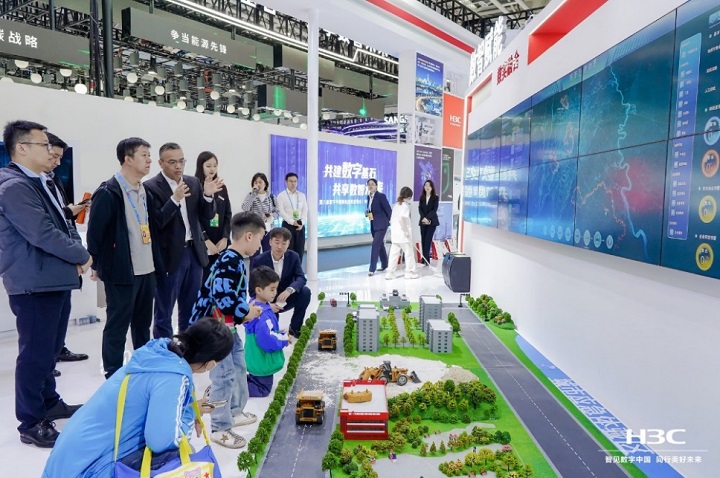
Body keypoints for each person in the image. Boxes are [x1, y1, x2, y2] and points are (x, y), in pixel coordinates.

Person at [41, 317, 234, 478]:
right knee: (182, 455)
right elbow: (161, 441)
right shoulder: (173, 376)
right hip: (89, 469)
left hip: (65, 464)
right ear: (211, 364)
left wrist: (190, 408)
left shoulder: (157, 356)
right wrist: (189, 415)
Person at [0, 120, 91, 448]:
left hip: (52, 278)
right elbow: (42, 233)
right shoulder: (14, 186)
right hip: (33, 281)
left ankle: (49, 402)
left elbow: (64, 224)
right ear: (22, 148)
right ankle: (31, 421)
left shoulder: (41, 181)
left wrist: (76, 254)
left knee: (50, 350)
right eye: (44, 145)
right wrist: (82, 255)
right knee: (35, 354)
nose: (51, 151)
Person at [87, 138, 163, 379]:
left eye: (149, 154)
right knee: (117, 326)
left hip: (147, 269)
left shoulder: (144, 191)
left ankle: (143, 367)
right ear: (128, 159)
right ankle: (113, 374)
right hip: (122, 271)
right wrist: (97, 265)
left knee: (142, 325)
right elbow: (95, 234)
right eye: (144, 155)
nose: (149, 160)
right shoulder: (108, 192)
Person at [189, 211, 265, 448]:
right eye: (260, 238)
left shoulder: (236, 260)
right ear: (249, 236)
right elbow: (223, 298)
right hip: (214, 330)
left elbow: (233, 295)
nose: (260, 244)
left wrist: (244, 309)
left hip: (228, 328)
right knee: (223, 375)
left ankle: (234, 411)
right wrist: (246, 311)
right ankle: (220, 427)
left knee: (239, 367)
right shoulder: (229, 260)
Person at [144, 142, 223, 337]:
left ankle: (187, 345)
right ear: (160, 163)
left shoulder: (193, 182)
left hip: (194, 253)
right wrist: (174, 199)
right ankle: (164, 348)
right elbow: (157, 222)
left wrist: (207, 195)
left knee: (191, 306)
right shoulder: (150, 187)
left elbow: (206, 216)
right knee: (164, 310)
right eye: (172, 162)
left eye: (181, 161)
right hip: (169, 257)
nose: (178, 166)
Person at [46, 132, 90, 370]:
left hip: (65, 258)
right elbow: (45, 227)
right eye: (53, 156)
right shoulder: (24, 186)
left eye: (60, 158)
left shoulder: (53, 181)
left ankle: (57, 350)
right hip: (47, 262)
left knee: (63, 310)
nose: (57, 162)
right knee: (46, 319)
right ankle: (46, 362)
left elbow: (63, 219)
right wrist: (83, 256)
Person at [250, 227, 311, 338]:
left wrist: (289, 290)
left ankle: (295, 328)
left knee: (305, 292)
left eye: (283, 243)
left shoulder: (293, 257)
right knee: (273, 333)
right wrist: (267, 305)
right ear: (270, 242)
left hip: (285, 296)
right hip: (268, 300)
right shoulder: (259, 260)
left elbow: (301, 278)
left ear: (288, 244)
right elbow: (252, 288)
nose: (279, 247)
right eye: (277, 242)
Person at [245, 266, 289, 397]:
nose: (275, 293)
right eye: (272, 289)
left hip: (254, 356)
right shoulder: (263, 315)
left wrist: (278, 332)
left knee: (254, 378)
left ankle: (238, 383)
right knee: (263, 388)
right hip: (262, 359)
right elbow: (267, 340)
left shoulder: (254, 305)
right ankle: (235, 389)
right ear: (259, 290)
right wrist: (284, 338)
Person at [194, 151, 231, 282]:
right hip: (203, 243)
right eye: (208, 166)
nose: (212, 169)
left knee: (221, 279)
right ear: (201, 166)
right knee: (204, 281)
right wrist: (205, 240)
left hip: (220, 241)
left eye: (215, 165)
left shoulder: (222, 187)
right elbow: (194, 217)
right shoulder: (195, 187)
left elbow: (228, 214)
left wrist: (225, 237)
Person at [241, 172, 279, 254]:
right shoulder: (251, 195)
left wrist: (271, 217)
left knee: (268, 253)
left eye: (260, 182)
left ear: (265, 183)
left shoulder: (271, 197)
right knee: (254, 254)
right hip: (254, 229)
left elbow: (277, 211)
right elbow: (245, 208)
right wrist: (253, 194)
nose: (258, 184)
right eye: (256, 182)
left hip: (268, 229)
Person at [385, 187, 419, 280]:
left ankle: (390, 273)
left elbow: (392, 219)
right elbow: (401, 219)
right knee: (409, 254)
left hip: (395, 234)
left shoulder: (396, 205)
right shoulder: (404, 206)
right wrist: (406, 231)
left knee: (394, 254)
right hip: (403, 235)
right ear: (409, 196)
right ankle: (409, 272)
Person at [276, 172, 307, 262]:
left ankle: (298, 269)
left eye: (295, 181)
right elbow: (281, 212)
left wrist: (302, 222)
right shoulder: (281, 196)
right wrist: (292, 222)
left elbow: (305, 210)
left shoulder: (302, 195)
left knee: (300, 251)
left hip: (300, 226)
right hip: (287, 226)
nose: (293, 183)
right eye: (291, 181)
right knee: (287, 251)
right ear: (286, 182)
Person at [365, 178, 392, 276]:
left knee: (375, 245)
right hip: (373, 224)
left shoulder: (381, 196)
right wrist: (368, 214)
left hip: (382, 225)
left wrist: (390, 221)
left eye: (372, 184)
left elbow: (388, 210)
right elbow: (371, 211)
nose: (370, 186)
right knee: (380, 245)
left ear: (376, 186)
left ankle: (372, 269)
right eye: (369, 184)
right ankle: (385, 264)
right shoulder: (369, 197)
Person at [418, 179, 439, 266]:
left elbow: (434, 210)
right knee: (423, 240)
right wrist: (423, 218)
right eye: (426, 185)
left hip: (432, 222)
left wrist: (427, 218)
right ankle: (425, 259)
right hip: (423, 221)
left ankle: (426, 260)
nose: (427, 187)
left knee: (428, 240)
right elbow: (420, 208)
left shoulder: (435, 198)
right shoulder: (422, 197)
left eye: (429, 186)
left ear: (432, 187)